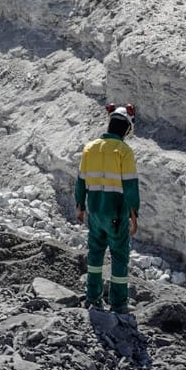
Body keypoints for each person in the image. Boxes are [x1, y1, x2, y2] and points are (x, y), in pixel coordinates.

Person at [75, 104, 141, 312]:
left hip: (95, 210)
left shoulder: (89, 148)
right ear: (126, 128)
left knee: (95, 254)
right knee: (119, 255)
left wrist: (80, 207)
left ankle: (92, 298)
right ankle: (119, 303)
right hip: (116, 212)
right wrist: (134, 216)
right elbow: (130, 186)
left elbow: (81, 181)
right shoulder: (124, 151)